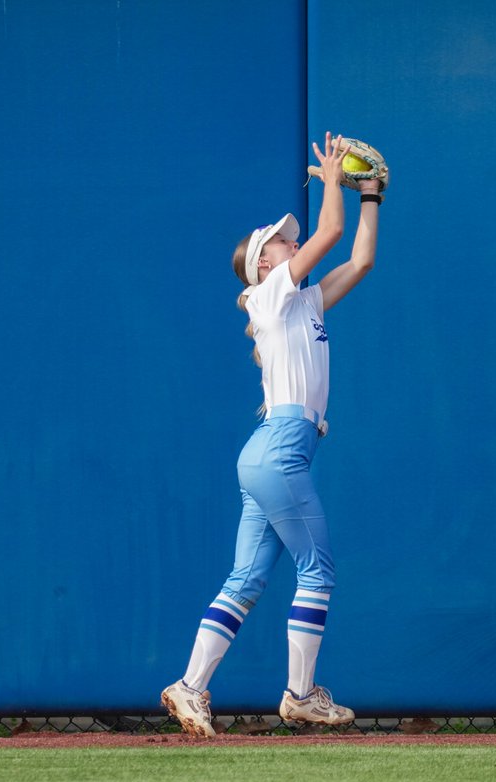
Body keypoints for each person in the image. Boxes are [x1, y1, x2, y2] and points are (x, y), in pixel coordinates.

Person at [162, 133, 383, 737]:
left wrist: (370, 197)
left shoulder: (301, 301)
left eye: (291, 235)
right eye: (283, 239)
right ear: (266, 262)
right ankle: (302, 694)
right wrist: (334, 179)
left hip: (268, 451)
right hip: (281, 449)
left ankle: (189, 687)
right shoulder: (269, 292)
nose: (292, 239)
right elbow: (328, 236)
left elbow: (359, 260)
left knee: (247, 579)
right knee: (317, 570)